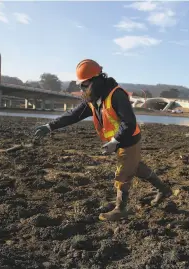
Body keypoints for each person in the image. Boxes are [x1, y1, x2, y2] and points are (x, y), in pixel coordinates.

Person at [34, 59, 172, 221]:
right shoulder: (93, 100)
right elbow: (72, 115)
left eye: (85, 84)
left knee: (123, 172)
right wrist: (50, 126)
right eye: (81, 85)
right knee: (135, 167)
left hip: (129, 138)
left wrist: (115, 140)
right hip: (118, 141)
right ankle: (164, 190)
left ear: (96, 80)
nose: (82, 88)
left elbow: (129, 122)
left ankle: (121, 209)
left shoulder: (116, 95)